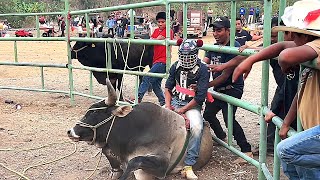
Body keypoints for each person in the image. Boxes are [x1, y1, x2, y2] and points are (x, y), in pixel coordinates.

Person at [234, 0, 320, 178]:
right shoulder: (310, 55)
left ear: (304, 36)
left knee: (287, 151)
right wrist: (287, 122)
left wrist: (284, 64)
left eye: (292, 35)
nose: (289, 39)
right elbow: (282, 48)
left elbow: (285, 55)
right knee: (291, 165)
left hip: (315, 130)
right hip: (309, 128)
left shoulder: (317, 45)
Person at [202, 16, 253, 164]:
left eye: (219, 30)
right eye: (214, 30)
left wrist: (205, 86)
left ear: (228, 31)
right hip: (219, 88)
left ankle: (246, 150)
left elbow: (224, 75)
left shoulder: (234, 46)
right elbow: (204, 63)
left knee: (229, 118)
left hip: (232, 88)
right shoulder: (213, 47)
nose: (216, 34)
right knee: (208, 114)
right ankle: (221, 136)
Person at [165, 39, 209, 180]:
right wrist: (167, 105)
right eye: (183, 56)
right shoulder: (175, 67)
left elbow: (200, 97)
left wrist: (183, 110)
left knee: (196, 127)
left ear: (196, 54)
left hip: (191, 104)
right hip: (175, 101)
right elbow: (168, 87)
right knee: (156, 118)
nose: (186, 60)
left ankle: (189, 164)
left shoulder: (203, 69)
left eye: (189, 56)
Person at [136, 12, 174, 106]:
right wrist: (148, 40)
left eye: (163, 22)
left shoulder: (168, 31)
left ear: (167, 22)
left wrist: (148, 40)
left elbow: (156, 39)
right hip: (156, 60)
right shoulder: (156, 31)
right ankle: (163, 102)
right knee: (155, 84)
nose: (160, 24)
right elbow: (152, 40)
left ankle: (138, 97)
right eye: (159, 22)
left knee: (147, 77)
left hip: (163, 61)